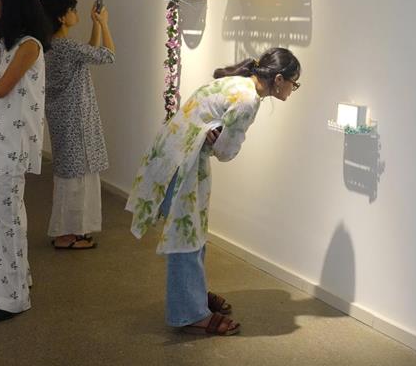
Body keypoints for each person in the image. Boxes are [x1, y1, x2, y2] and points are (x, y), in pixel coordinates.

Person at [127, 47, 301, 336]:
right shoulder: (247, 99)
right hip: (183, 163)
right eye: (294, 83)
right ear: (279, 79)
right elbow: (226, 151)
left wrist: (214, 135)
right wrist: (216, 140)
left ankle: (193, 294)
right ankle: (190, 313)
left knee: (193, 233)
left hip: (175, 154)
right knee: (185, 237)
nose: (293, 89)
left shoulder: (238, 83)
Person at [0, 0, 48, 323]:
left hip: (11, 144)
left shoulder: (30, 45)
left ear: (13, 7)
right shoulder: (3, 44)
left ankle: (14, 297)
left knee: (9, 219)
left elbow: (1, 89)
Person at [39, 0, 115, 250]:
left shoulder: (52, 46)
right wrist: (104, 23)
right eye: (72, 10)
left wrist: (95, 24)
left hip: (64, 119)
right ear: (61, 17)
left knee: (71, 176)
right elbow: (108, 55)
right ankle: (68, 234)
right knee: (76, 179)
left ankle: (72, 231)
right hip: (75, 120)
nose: (76, 13)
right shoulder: (66, 47)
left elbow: (89, 51)